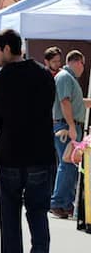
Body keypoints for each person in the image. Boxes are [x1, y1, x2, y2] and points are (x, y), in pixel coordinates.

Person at [0, 29, 56, 253]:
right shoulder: (44, 74)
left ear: (8, 49)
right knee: (38, 215)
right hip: (41, 154)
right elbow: (48, 107)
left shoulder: (0, 79)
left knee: (9, 219)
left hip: (10, 155)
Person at [50, 50, 91, 219]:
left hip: (69, 125)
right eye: (82, 64)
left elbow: (73, 101)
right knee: (67, 165)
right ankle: (58, 202)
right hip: (67, 126)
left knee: (69, 165)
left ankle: (64, 203)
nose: (83, 68)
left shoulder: (67, 78)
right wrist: (73, 127)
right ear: (77, 62)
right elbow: (64, 102)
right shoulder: (65, 77)